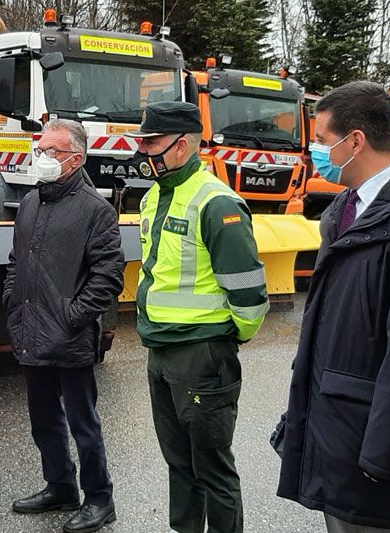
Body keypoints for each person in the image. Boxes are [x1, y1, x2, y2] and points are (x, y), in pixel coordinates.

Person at [272, 81, 390, 533]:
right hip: (337, 435)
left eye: (321, 140)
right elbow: (325, 331)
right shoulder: (344, 211)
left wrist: (380, 456)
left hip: (369, 453)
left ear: (354, 140)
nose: (315, 152)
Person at [124, 101, 269, 533]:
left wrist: (225, 340)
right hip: (160, 350)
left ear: (182, 145)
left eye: (151, 142)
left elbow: (248, 293)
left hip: (202, 354)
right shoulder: (155, 197)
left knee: (213, 468)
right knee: (179, 463)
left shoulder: (217, 203)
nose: (143, 151)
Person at [4, 119, 125, 533]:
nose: (41, 157)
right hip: (30, 331)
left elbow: (108, 276)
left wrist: (73, 317)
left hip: (70, 337)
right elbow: (17, 260)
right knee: (43, 419)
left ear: (75, 159)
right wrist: (13, 301)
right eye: (39, 148)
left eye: (51, 151)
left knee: (82, 423)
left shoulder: (96, 210)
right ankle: (59, 486)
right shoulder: (31, 202)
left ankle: (99, 498)